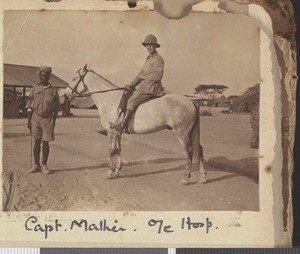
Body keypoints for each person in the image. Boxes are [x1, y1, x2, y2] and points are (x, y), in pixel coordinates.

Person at [115, 34, 165, 133]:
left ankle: (122, 126)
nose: (149, 47)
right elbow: (139, 74)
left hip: (152, 88)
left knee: (131, 101)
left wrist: (143, 77)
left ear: (155, 46)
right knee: (126, 94)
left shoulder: (158, 59)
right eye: (147, 45)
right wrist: (130, 84)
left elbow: (157, 76)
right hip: (145, 86)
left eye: (151, 45)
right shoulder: (148, 59)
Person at [27, 66, 61, 174]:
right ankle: (36, 165)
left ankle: (44, 165)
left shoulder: (54, 91)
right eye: (42, 75)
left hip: (48, 119)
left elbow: (56, 109)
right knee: (36, 142)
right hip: (36, 118)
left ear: (49, 76)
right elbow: (29, 106)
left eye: (47, 75)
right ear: (39, 76)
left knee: (45, 143)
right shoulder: (34, 89)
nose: (44, 77)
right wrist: (29, 121)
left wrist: (53, 121)